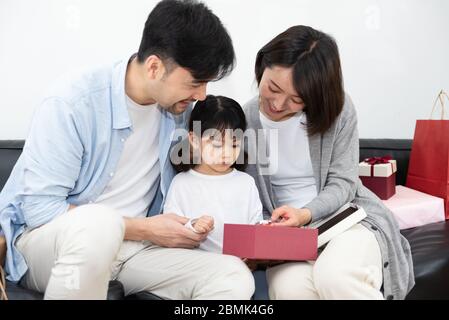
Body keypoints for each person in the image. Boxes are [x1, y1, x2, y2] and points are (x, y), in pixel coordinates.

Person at [0, 0, 255, 300]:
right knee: (100, 223)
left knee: (233, 276)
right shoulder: (72, 103)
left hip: (134, 253)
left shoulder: (182, 111)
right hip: (55, 247)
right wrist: (144, 229)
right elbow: (40, 210)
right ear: (154, 67)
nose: (201, 95)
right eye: (195, 83)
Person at [243, 25, 414, 300]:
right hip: (289, 239)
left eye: (297, 99)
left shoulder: (338, 110)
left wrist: (304, 214)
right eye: (273, 87)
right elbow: (245, 194)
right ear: (262, 65)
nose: (277, 103)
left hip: (345, 219)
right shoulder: (243, 120)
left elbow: (343, 182)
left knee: (335, 278)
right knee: (290, 290)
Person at [163, 95, 263, 255]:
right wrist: (193, 225)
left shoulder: (246, 183)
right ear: (194, 140)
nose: (227, 153)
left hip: (238, 263)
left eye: (235, 144)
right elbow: (170, 227)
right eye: (217, 144)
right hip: (196, 263)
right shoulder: (182, 183)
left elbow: (256, 225)